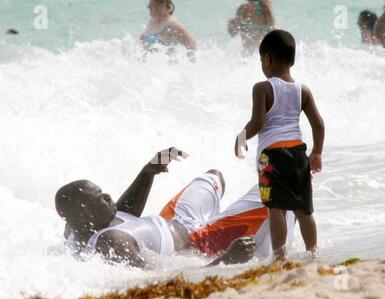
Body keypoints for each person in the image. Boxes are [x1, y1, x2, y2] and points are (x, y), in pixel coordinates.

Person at [56, 147, 295, 269]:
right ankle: (275, 256)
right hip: (200, 242)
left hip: (174, 219)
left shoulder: (76, 227)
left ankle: (248, 226)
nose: (108, 196)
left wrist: (148, 171)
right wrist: (226, 259)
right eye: (99, 197)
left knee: (214, 177)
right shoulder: (112, 243)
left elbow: (123, 212)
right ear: (85, 213)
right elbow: (163, 278)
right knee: (282, 187)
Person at [234, 30, 325, 262]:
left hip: (271, 157)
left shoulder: (262, 88)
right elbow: (319, 125)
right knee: (304, 211)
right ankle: (314, 254)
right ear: (292, 61)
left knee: (276, 211)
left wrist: (241, 137)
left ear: (267, 60)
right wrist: (317, 153)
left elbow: (258, 122)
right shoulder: (302, 90)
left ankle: (280, 257)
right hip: (297, 154)